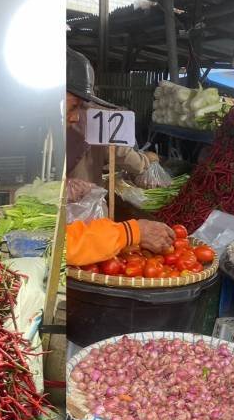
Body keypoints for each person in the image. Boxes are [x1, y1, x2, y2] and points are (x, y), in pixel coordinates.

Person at [65, 47, 175, 266]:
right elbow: (129, 159)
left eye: (78, 106)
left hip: (88, 226)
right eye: (72, 107)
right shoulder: (97, 118)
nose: (75, 117)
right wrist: (146, 162)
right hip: (83, 230)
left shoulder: (95, 119)